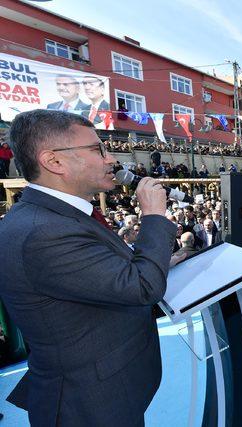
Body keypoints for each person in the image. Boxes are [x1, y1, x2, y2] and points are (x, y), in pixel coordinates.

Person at [0, 110, 180, 425]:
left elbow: (102, 274)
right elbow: (141, 287)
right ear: (53, 162)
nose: (111, 159)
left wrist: (160, 258)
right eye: (98, 149)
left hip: (105, 392)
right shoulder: (43, 232)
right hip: (86, 405)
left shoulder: (59, 217)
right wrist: (153, 215)